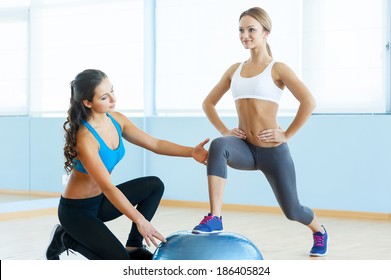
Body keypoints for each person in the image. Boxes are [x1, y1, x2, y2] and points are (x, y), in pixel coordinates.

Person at [192, 7, 328, 257]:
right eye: (241, 30)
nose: (245, 35)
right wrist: (225, 130)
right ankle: (215, 217)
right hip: (244, 149)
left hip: (272, 152)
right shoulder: (234, 70)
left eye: (251, 29)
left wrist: (286, 134)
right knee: (220, 145)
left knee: (292, 210)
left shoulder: (278, 68)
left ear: (265, 33)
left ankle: (319, 230)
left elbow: (309, 101)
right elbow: (207, 103)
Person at [45, 69, 209, 260]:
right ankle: (65, 239)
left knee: (154, 185)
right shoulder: (85, 138)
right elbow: (108, 186)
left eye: (112, 91)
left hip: (100, 203)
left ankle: (134, 246)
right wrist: (140, 221)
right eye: (105, 97)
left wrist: (191, 152)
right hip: (76, 213)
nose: (113, 99)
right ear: (88, 102)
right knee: (121, 263)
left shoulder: (117, 120)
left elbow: (154, 144)